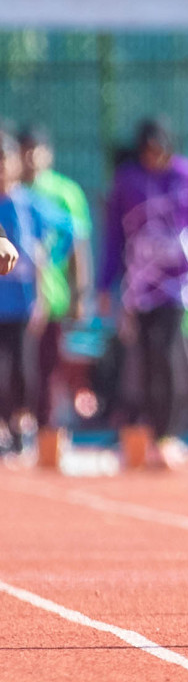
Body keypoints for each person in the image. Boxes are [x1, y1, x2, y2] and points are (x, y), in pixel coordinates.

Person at [97, 119, 188, 469]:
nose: (153, 157)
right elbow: (113, 238)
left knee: (167, 354)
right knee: (147, 358)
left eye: (158, 150)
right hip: (141, 284)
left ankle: (169, 433)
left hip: (179, 285)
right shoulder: (126, 181)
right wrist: (105, 285)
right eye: (146, 151)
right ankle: (151, 430)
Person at [0, 132, 72, 456]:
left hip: (22, 302)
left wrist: (49, 259)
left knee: (24, 369)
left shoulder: (28, 203)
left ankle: (20, 425)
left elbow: (70, 229)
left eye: (5, 161)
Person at [18, 126, 91, 434]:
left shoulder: (65, 193)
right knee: (16, 367)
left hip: (53, 296)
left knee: (49, 367)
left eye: (39, 148)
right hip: (14, 300)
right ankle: (18, 424)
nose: (32, 156)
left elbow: (78, 246)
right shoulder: (10, 190)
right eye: (26, 149)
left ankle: (46, 429)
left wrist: (80, 295)